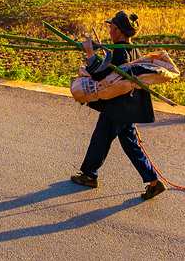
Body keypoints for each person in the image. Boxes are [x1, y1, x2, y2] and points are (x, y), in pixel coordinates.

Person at [70, 11, 165, 200]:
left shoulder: (120, 52)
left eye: (112, 28)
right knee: (130, 145)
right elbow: (107, 70)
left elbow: (102, 77)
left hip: (118, 108)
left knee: (100, 139)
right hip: (127, 107)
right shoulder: (132, 50)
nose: (110, 31)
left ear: (119, 32)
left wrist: (89, 54)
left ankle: (89, 176)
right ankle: (154, 182)